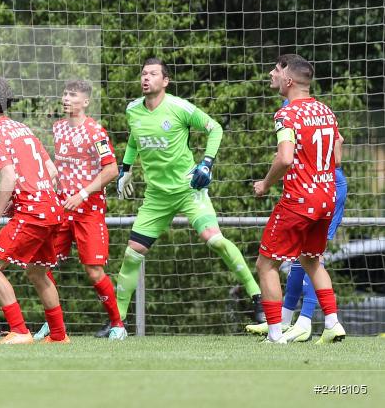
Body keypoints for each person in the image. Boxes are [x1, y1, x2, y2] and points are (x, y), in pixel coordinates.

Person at [112, 58, 263, 340]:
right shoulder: (133, 110)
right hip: (157, 197)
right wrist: (126, 168)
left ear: (165, 81)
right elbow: (134, 137)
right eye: (143, 73)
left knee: (215, 240)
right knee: (132, 254)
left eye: (153, 74)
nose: (146, 78)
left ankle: (258, 299)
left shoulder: (180, 107)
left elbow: (215, 128)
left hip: (189, 190)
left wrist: (206, 163)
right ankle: (117, 324)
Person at [252, 54, 346, 344]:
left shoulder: (286, 115)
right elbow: (338, 155)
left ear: (289, 80)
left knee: (265, 265)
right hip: (327, 197)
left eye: (276, 70)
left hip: (299, 200)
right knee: (311, 260)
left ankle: (275, 335)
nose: (271, 74)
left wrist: (266, 183)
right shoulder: (326, 111)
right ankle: (332, 323)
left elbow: (285, 157)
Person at [0, 76, 68, 344]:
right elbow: (51, 171)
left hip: (33, 212)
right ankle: (59, 336)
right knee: (38, 271)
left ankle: (19, 331)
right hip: (52, 207)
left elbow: (9, 176)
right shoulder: (23, 128)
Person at [32, 80, 123, 340]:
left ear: (86, 102)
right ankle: (53, 322)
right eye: (64, 94)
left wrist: (82, 194)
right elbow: (59, 167)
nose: (66, 98)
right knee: (40, 263)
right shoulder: (58, 128)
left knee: (93, 270)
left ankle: (117, 325)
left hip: (89, 209)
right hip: (62, 208)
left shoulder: (95, 132)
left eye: (73, 95)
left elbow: (111, 169)